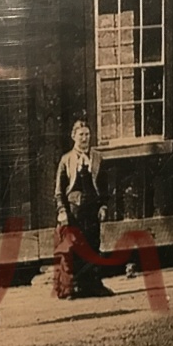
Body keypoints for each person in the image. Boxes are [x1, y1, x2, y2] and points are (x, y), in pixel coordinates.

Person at [54, 120, 113, 299]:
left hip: (92, 208)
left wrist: (103, 206)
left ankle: (94, 284)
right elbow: (59, 190)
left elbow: (104, 186)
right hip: (75, 210)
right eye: (81, 135)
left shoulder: (97, 158)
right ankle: (75, 286)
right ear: (74, 136)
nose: (85, 138)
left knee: (93, 244)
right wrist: (62, 210)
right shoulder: (66, 160)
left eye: (87, 134)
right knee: (76, 246)